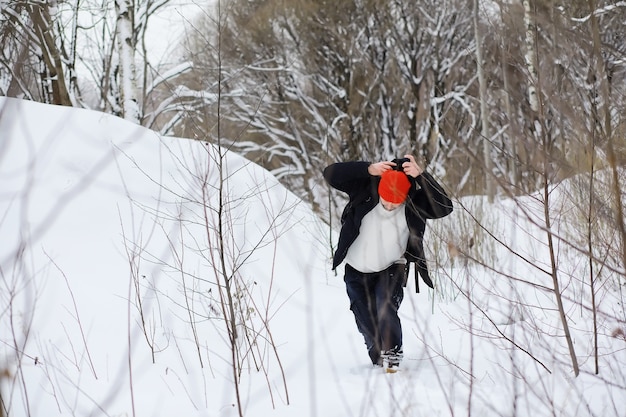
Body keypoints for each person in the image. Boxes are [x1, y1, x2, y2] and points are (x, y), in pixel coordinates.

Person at [323, 155, 453, 371]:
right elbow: (330, 173)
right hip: (355, 270)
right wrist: (368, 169)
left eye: (396, 201)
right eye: (386, 200)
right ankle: (377, 351)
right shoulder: (364, 191)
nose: (391, 205)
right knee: (364, 317)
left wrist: (422, 176)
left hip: (392, 267)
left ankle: (392, 352)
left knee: (385, 305)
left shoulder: (414, 203)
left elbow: (444, 207)